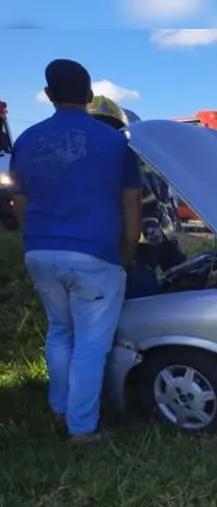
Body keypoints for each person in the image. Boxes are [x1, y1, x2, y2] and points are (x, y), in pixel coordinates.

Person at [8, 59, 143, 444]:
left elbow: (18, 202)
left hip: (40, 251)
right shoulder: (115, 142)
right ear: (89, 95)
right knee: (89, 343)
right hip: (95, 254)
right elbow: (131, 203)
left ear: (49, 95)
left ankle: (60, 407)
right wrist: (127, 253)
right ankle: (82, 429)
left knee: (59, 331)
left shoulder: (27, 140)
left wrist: (34, 238)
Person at [87, 95, 186, 300]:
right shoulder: (144, 155)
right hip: (158, 238)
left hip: (135, 247)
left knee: (136, 304)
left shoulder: (102, 160)